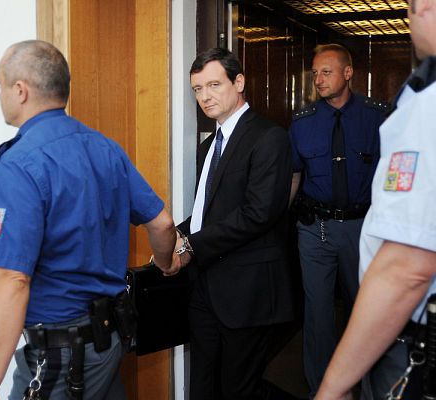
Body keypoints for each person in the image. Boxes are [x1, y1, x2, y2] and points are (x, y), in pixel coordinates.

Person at [0, 40, 176, 400]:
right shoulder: (106, 148)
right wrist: (163, 261)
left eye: (0, 85)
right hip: (110, 342)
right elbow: (162, 224)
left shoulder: (19, 166)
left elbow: (10, 279)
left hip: (62, 357)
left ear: (20, 91)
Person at [316, 0, 436, 398]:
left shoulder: (423, 104)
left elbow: (408, 267)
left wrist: (332, 388)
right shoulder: (305, 121)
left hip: (412, 336)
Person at [162, 47, 294, 400]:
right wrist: (176, 234)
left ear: (239, 82)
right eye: (197, 89)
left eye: (214, 85)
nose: (205, 96)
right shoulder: (209, 147)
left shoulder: (269, 137)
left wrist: (191, 244)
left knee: (238, 390)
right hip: (205, 287)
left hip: (247, 291)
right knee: (201, 385)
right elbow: (208, 212)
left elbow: (258, 213)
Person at [289, 43, 387, 397]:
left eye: (326, 71)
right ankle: (323, 390)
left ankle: (367, 388)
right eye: (315, 73)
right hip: (315, 229)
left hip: (364, 230)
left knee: (364, 312)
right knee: (318, 316)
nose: (318, 79)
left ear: (348, 73)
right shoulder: (302, 123)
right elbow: (294, 177)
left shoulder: (379, 117)